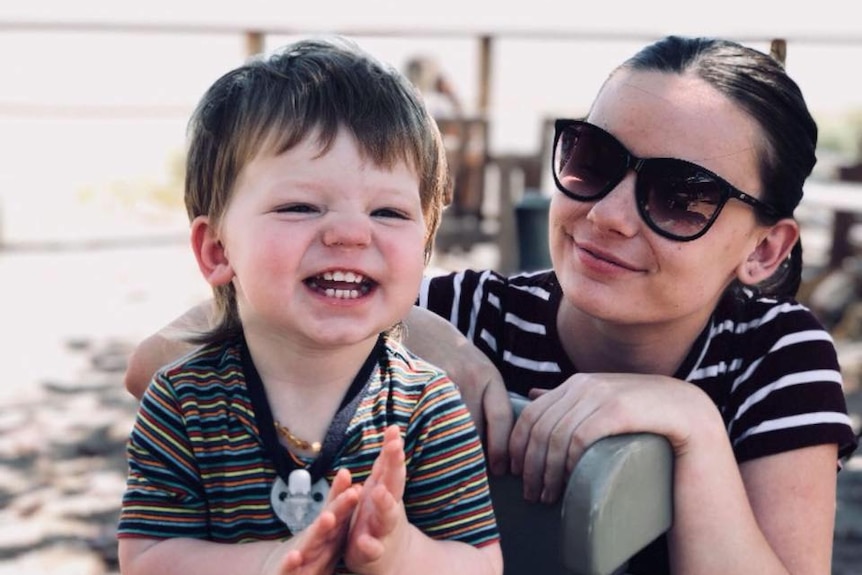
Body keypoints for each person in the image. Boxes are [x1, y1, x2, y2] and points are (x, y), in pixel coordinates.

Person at [123, 36, 859, 574]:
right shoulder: (468, 313)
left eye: (682, 196)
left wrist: (690, 423)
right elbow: (153, 362)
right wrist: (420, 326)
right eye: (591, 160)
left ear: (765, 249)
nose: (607, 213)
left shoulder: (777, 357)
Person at [117, 37, 502, 575]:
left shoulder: (427, 405)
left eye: (389, 212)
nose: (349, 233)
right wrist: (273, 561)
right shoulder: (183, 398)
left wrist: (400, 553)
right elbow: (149, 556)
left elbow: (479, 563)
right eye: (300, 206)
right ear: (217, 250)